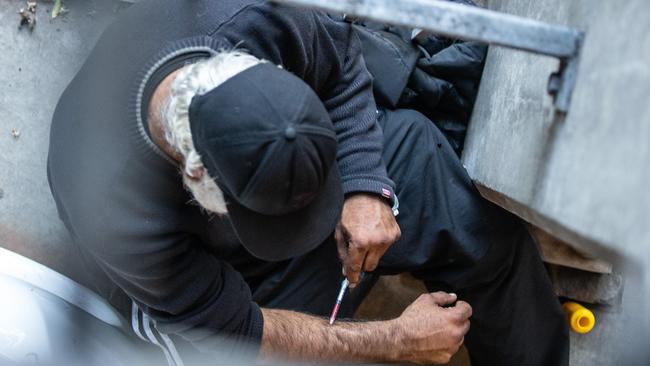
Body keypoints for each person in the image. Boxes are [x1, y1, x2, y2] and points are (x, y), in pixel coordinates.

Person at [47, 0, 568, 365]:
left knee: (451, 196)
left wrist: (365, 186)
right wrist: (392, 340)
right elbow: (237, 331)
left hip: (295, 173)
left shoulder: (256, 16)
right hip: (220, 279)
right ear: (195, 175)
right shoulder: (117, 213)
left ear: (257, 67)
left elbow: (341, 65)